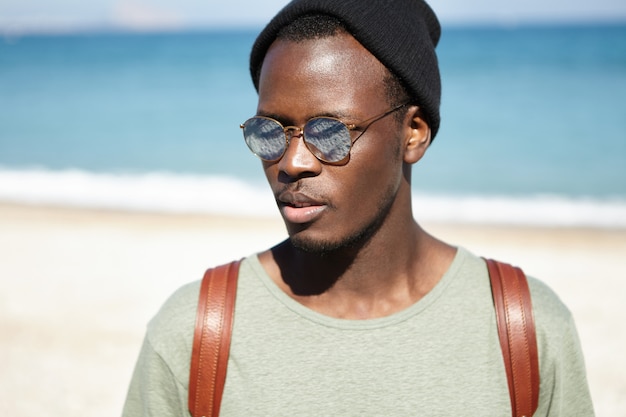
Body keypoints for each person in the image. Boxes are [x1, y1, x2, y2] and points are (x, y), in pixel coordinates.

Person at [122, 0, 594, 415]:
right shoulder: (197, 335)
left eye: (329, 132)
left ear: (414, 134)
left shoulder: (523, 331)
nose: (294, 162)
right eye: (269, 132)